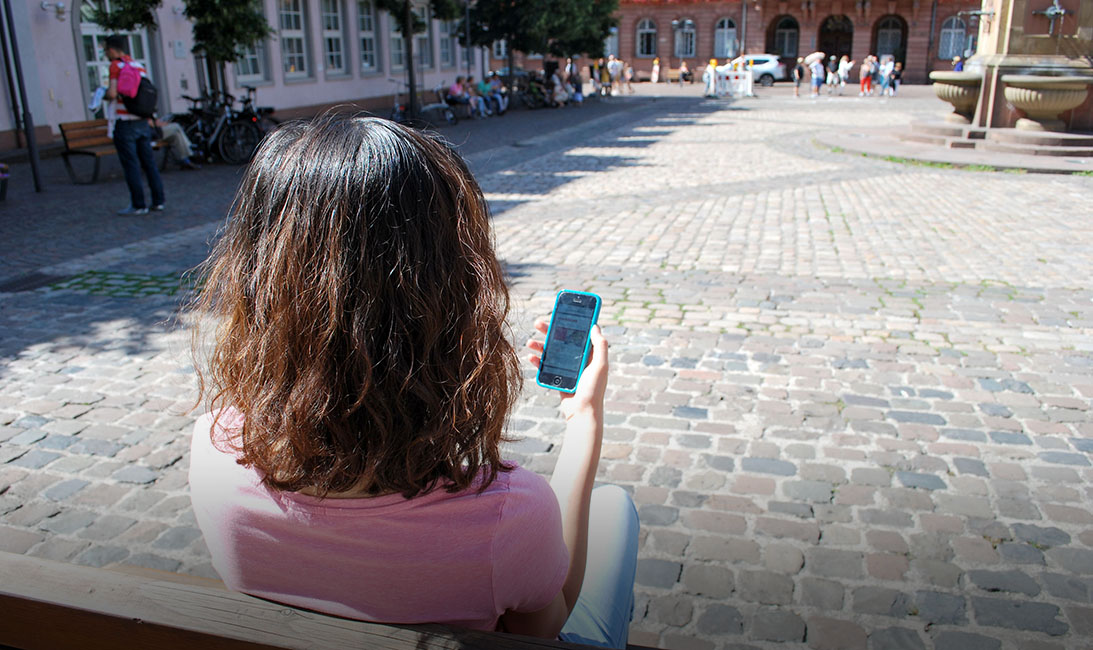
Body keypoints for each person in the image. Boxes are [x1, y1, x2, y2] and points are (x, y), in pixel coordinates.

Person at [188, 115, 639, 649]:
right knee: (615, 510)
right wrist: (584, 419)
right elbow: (546, 628)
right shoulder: (508, 513)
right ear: (446, 297)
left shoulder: (211, 449)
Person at [103, 34, 164, 215]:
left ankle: (139, 204)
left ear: (112, 50)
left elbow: (113, 94)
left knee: (131, 164)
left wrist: (104, 95)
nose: (106, 54)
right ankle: (158, 200)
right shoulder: (138, 66)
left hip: (125, 123)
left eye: (106, 50)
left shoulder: (116, 66)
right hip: (142, 121)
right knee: (149, 163)